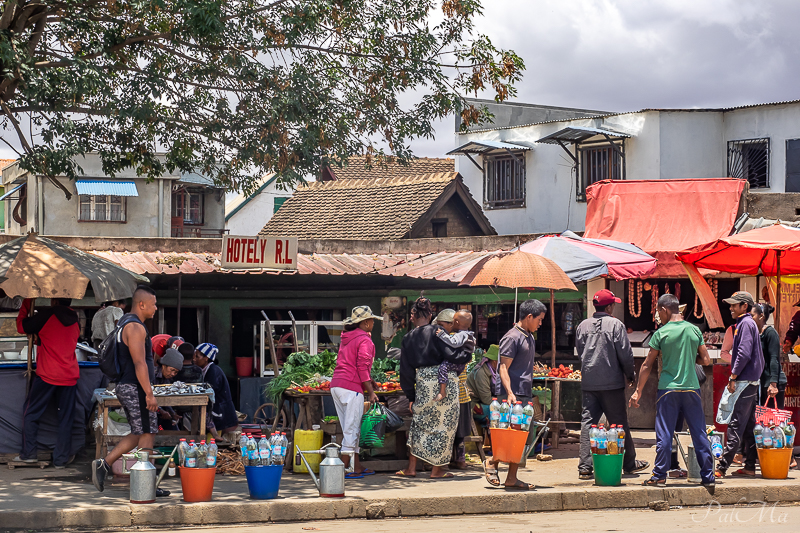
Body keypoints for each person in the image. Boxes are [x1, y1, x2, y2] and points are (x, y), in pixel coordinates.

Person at [629, 294, 714, 486]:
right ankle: (708, 476)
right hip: (692, 389)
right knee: (699, 433)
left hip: (668, 390)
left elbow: (646, 364)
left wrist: (638, 391)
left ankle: (659, 475)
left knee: (665, 434)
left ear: (664, 309)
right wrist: (691, 359)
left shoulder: (661, 333)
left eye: (658, 312)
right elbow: (706, 360)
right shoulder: (694, 330)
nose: (659, 316)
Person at [92, 286, 168, 496]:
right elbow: (139, 363)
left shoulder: (124, 323)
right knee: (148, 433)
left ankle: (104, 464)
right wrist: (149, 394)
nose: (155, 308)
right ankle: (144, 484)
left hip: (128, 386)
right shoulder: (135, 327)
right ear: (141, 304)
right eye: (153, 304)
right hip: (135, 387)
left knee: (140, 432)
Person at [576, 289, 649, 480]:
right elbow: (625, 353)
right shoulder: (616, 325)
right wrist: (631, 375)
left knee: (588, 423)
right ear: (609, 307)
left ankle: (585, 466)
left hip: (589, 382)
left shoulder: (582, 326)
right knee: (619, 423)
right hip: (612, 383)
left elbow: (580, 351)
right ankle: (629, 463)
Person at [397, 297, 471, 479]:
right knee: (445, 426)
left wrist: (411, 396)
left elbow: (406, 371)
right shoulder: (439, 331)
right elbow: (451, 354)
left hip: (422, 384)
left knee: (419, 424)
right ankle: (437, 470)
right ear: (431, 315)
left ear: (412, 316)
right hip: (445, 383)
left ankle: (411, 468)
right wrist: (467, 354)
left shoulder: (407, 338)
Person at [484, 299, 547, 491]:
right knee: (508, 435)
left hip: (524, 393)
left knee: (521, 437)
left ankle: (512, 477)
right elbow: (503, 367)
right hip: (511, 394)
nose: (540, 323)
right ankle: (492, 462)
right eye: (539, 319)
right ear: (529, 317)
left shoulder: (529, 336)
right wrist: (509, 392)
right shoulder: (512, 337)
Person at [15, 298, 80, 467]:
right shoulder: (76, 318)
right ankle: (61, 460)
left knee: (30, 413)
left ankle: (29, 453)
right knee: (66, 419)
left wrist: (27, 302)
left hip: (48, 375)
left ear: (54, 300)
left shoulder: (47, 315)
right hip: (70, 375)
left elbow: (21, 326)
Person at [715, 291, 765, 478]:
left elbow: (743, 354)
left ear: (744, 306)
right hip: (752, 381)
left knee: (736, 424)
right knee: (750, 424)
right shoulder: (749, 324)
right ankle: (750, 466)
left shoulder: (745, 323)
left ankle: (721, 467)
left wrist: (733, 376)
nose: (731, 308)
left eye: (734, 305)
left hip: (745, 382)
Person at [330, 305, 382, 478]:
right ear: (366, 322)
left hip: (337, 385)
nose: (373, 323)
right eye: (372, 320)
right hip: (351, 387)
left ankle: (356, 466)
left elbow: (353, 363)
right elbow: (362, 368)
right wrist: (371, 392)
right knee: (352, 430)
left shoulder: (347, 337)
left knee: (349, 429)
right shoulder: (364, 340)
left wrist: (369, 382)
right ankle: (344, 469)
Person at [432, 309, 475, 470]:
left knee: (454, 430)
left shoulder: (457, 339)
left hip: (456, 394)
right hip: (461, 394)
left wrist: (442, 336)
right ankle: (460, 459)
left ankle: (455, 459)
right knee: (459, 432)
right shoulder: (467, 338)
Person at [193, 342, 240, 440]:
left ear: (206, 358)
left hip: (220, 413)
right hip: (217, 413)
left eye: (197, 357)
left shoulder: (213, 372)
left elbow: (209, 394)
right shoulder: (205, 370)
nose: (194, 359)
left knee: (214, 443)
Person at [433, 310, 475, 402]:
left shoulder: (453, 337)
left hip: (455, 397)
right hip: (462, 392)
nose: (439, 328)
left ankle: (442, 391)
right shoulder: (467, 335)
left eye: (441, 325)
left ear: (452, 324)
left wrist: (442, 336)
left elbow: (451, 350)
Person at [154, 348, 184, 431]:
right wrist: (161, 411)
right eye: (172, 370)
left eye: (176, 372)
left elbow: (166, 397)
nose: (172, 374)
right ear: (164, 365)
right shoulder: (152, 375)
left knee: (175, 431)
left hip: (161, 412)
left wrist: (172, 413)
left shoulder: (167, 379)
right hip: (150, 411)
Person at [467, 344, 500, 410]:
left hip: (483, 401)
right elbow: (487, 400)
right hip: (473, 403)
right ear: (495, 361)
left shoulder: (495, 372)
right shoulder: (481, 372)